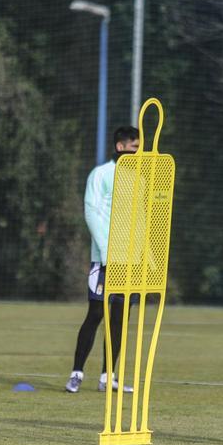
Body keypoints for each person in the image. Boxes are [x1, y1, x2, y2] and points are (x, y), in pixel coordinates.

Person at [65, 126, 140, 394]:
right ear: (120, 147)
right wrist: (108, 252)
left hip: (130, 261)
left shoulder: (137, 179)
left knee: (120, 318)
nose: (138, 152)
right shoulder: (101, 174)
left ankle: (108, 377)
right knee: (96, 314)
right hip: (105, 260)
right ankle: (76, 373)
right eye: (134, 147)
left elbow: (140, 220)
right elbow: (92, 213)